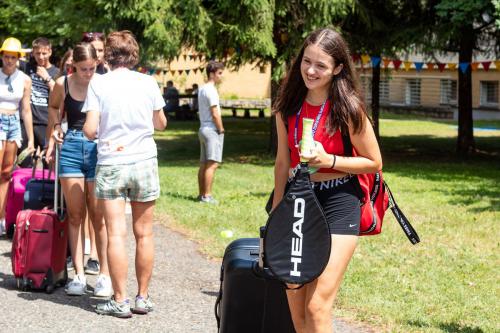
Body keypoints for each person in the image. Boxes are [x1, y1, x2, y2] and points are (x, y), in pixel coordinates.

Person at [272, 28, 382, 332]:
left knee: (317, 304)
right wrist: (276, 213)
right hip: (297, 202)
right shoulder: (287, 106)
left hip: (339, 201)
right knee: (295, 299)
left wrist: (330, 161)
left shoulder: (348, 108)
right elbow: (282, 162)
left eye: (320, 65)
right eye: (307, 61)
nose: (310, 70)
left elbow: (374, 162)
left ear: (337, 68)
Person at [82, 30, 166, 318]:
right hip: (144, 160)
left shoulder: (99, 84)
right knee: (145, 233)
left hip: (112, 162)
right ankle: (142, 298)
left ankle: (120, 300)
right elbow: (161, 123)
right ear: (133, 55)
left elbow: (90, 129)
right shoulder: (148, 82)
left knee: (116, 233)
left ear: (108, 55)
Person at [45, 43, 112, 297]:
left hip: (98, 148)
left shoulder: (104, 83)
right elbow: (53, 107)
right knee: (75, 214)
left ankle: (104, 274)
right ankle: (79, 276)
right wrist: (55, 128)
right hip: (71, 147)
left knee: (98, 215)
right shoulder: (63, 82)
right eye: (83, 69)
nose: (87, 73)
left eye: (92, 68)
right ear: (74, 66)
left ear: (97, 63)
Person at [0, 37, 35, 235]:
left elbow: (26, 110)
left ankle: (2, 217)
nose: (9, 60)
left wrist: (30, 138)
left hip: (13, 123)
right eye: (6, 56)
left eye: (13, 57)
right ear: (2, 56)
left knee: (6, 172)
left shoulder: (24, 79)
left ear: (19, 58)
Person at [18, 37, 59, 166]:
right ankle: (24, 184)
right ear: (33, 53)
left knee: (48, 161)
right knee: (23, 160)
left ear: (50, 52)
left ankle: (48, 185)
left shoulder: (56, 72)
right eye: (37, 53)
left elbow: (58, 92)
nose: (41, 57)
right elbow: (12, 59)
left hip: (45, 122)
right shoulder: (27, 67)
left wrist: (46, 78)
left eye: (44, 53)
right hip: (26, 122)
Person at [197, 61, 224, 204]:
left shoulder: (202, 89)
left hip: (202, 129)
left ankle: (201, 194)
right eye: (219, 73)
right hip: (211, 130)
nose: (221, 76)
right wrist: (221, 129)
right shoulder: (211, 90)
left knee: (204, 163)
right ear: (212, 73)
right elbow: (215, 112)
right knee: (212, 164)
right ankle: (207, 196)